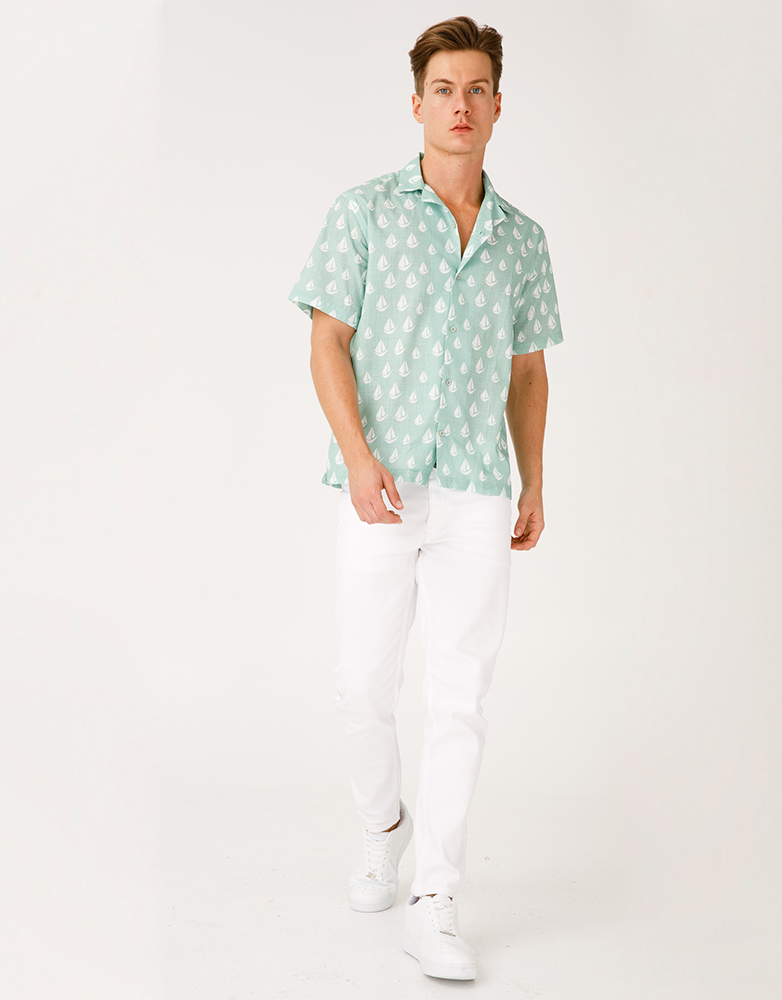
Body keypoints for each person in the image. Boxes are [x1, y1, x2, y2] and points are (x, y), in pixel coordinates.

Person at [287, 15, 563, 982]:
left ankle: (436, 896)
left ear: (498, 106)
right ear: (417, 104)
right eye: (444, 89)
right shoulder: (363, 212)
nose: (460, 105)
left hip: (478, 491)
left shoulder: (522, 239)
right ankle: (383, 828)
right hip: (383, 485)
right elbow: (327, 340)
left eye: (477, 89)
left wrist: (534, 480)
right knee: (361, 687)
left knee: (459, 698)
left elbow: (528, 372)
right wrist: (359, 457)